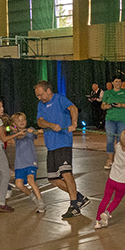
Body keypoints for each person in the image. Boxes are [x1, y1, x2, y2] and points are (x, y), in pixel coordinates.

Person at [35, 80, 89, 218]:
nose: (40, 98)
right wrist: (51, 125)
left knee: (66, 173)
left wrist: (74, 123)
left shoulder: (59, 99)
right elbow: (40, 121)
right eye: (37, 96)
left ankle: (74, 205)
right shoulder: (41, 105)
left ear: (48, 91)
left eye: (41, 95)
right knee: (53, 179)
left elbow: (73, 108)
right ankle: (79, 198)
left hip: (63, 142)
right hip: (50, 144)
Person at [0, 97, 23, 212]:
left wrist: (9, 128)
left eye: (2, 107)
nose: (2, 109)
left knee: (1, 174)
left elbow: (0, 130)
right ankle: (2, 203)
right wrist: (17, 134)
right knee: (6, 174)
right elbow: (4, 138)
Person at [11, 112, 46, 213]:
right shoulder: (15, 133)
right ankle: (32, 196)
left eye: (23, 120)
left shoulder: (30, 130)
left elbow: (36, 133)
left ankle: (40, 201)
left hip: (30, 161)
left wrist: (33, 131)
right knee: (18, 184)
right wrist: (21, 131)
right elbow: (19, 137)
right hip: (19, 163)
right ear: (14, 123)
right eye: (18, 121)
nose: (21, 122)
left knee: (30, 180)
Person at [101, 77, 125, 170]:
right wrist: (107, 106)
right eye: (116, 81)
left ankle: (120, 159)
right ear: (112, 83)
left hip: (122, 119)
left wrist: (121, 105)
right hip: (110, 119)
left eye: (119, 81)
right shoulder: (107, 93)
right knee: (110, 139)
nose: (118, 83)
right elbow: (102, 106)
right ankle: (110, 159)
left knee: (121, 140)